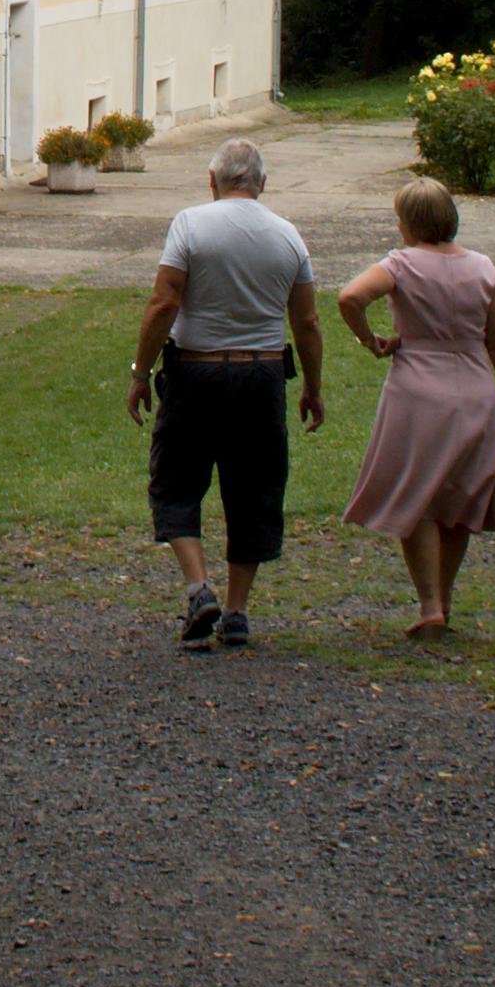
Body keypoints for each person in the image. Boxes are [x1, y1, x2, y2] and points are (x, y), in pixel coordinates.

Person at [126, 136, 324, 651]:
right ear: (262, 184)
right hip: (261, 375)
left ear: (212, 181)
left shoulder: (190, 224)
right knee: (254, 487)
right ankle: (237, 609)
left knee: (176, 481)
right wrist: (313, 388)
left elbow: (163, 302)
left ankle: (198, 588)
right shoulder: (289, 237)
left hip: (196, 372)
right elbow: (305, 321)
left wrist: (140, 371)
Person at [334, 179, 495, 640]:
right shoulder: (483, 268)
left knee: (414, 496)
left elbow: (349, 297)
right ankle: (447, 598)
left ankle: (429, 604)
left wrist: (369, 338)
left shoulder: (401, 263)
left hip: (417, 391)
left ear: (408, 223)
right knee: (460, 498)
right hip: (475, 388)